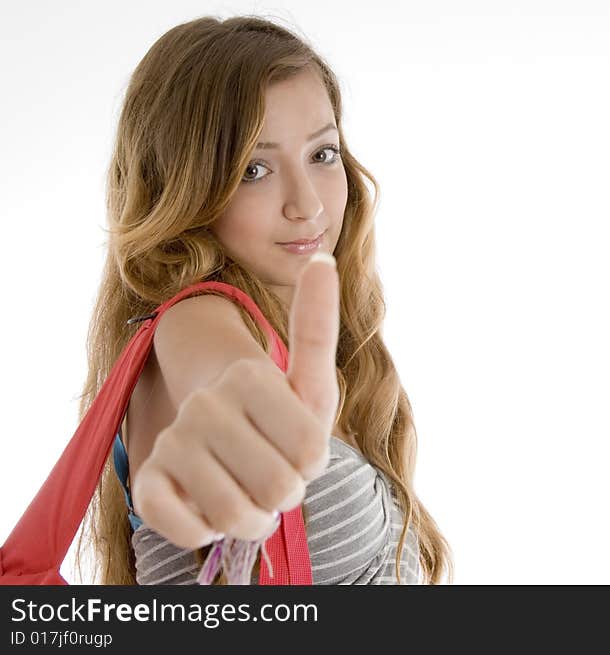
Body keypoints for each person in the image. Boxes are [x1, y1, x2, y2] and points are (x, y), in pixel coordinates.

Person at [72, 14, 453, 585]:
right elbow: (216, 374)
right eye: (254, 169)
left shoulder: (307, 342)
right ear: (186, 189)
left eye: (322, 155)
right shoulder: (195, 317)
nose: (307, 205)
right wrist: (229, 408)